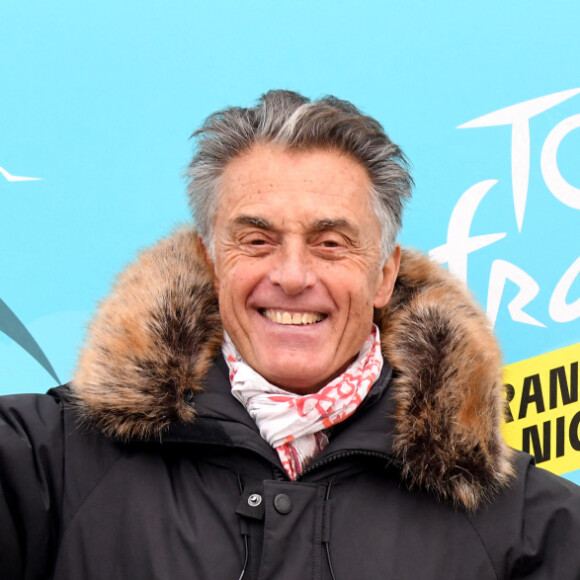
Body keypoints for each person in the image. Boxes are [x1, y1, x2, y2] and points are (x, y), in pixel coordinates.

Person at [1, 90, 579, 579]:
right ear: (210, 261)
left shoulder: (522, 521)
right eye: (256, 240)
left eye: (331, 244)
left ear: (383, 274)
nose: (294, 276)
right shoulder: (52, 460)